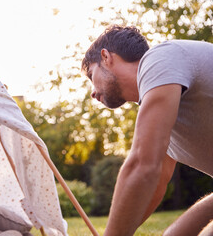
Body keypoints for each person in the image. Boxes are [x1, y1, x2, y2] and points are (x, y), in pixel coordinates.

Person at [81, 25, 213, 236]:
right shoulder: (163, 105)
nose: (93, 93)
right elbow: (156, 183)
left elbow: (143, 164)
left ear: (105, 57)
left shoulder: (160, 58)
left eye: (91, 75)